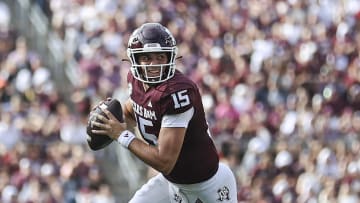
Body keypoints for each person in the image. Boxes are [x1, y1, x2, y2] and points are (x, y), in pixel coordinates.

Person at [91, 22, 238, 203]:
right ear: (135, 60)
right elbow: (132, 109)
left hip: (208, 186)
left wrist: (121, 135)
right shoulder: (135, 81)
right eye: (147, 58)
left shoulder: (177, 92)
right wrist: (111, 118)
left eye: (160, 57)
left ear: (170, 57)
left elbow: (165, 162)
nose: (154, 64)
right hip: (172, 183)